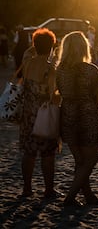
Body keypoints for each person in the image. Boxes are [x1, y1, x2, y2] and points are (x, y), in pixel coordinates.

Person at [56, 31, 98, 208]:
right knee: (90, 161)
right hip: (88, 119)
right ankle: (69, 198)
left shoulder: (60, 70)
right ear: (83, 48)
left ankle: (89, 196)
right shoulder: (91, 70)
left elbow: (56, 96)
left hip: (68, 118)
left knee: (80, 162)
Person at [20, 28, 60, 198]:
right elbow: (54, 95)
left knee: (28, 153)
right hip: (43, 117)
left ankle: (27, 189)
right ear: (51, 47)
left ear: (35, 45)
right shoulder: (51, 69)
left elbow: (29, 51)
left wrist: (36, 44)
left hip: (27, 114)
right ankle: (48, 190)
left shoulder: (27, 62)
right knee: (47, 154)